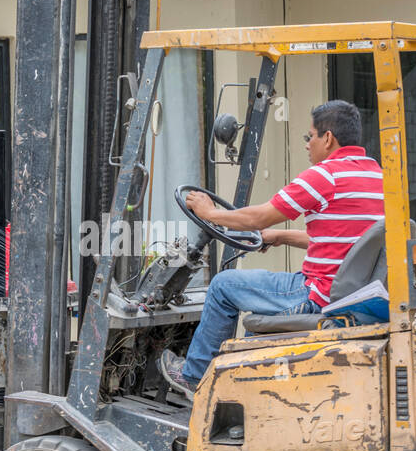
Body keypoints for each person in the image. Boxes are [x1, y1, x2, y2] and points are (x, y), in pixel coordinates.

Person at [160, 100, 384, 395]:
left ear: (327, 138)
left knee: (223, 285)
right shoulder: (376, 176)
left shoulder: (324, 176)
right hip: (353, 296)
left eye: (310, 137)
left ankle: (194, 377)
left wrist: (209, 214)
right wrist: (280, 236)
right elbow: (348, 243)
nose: (307, 145)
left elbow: (258, 216)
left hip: (318, 296)